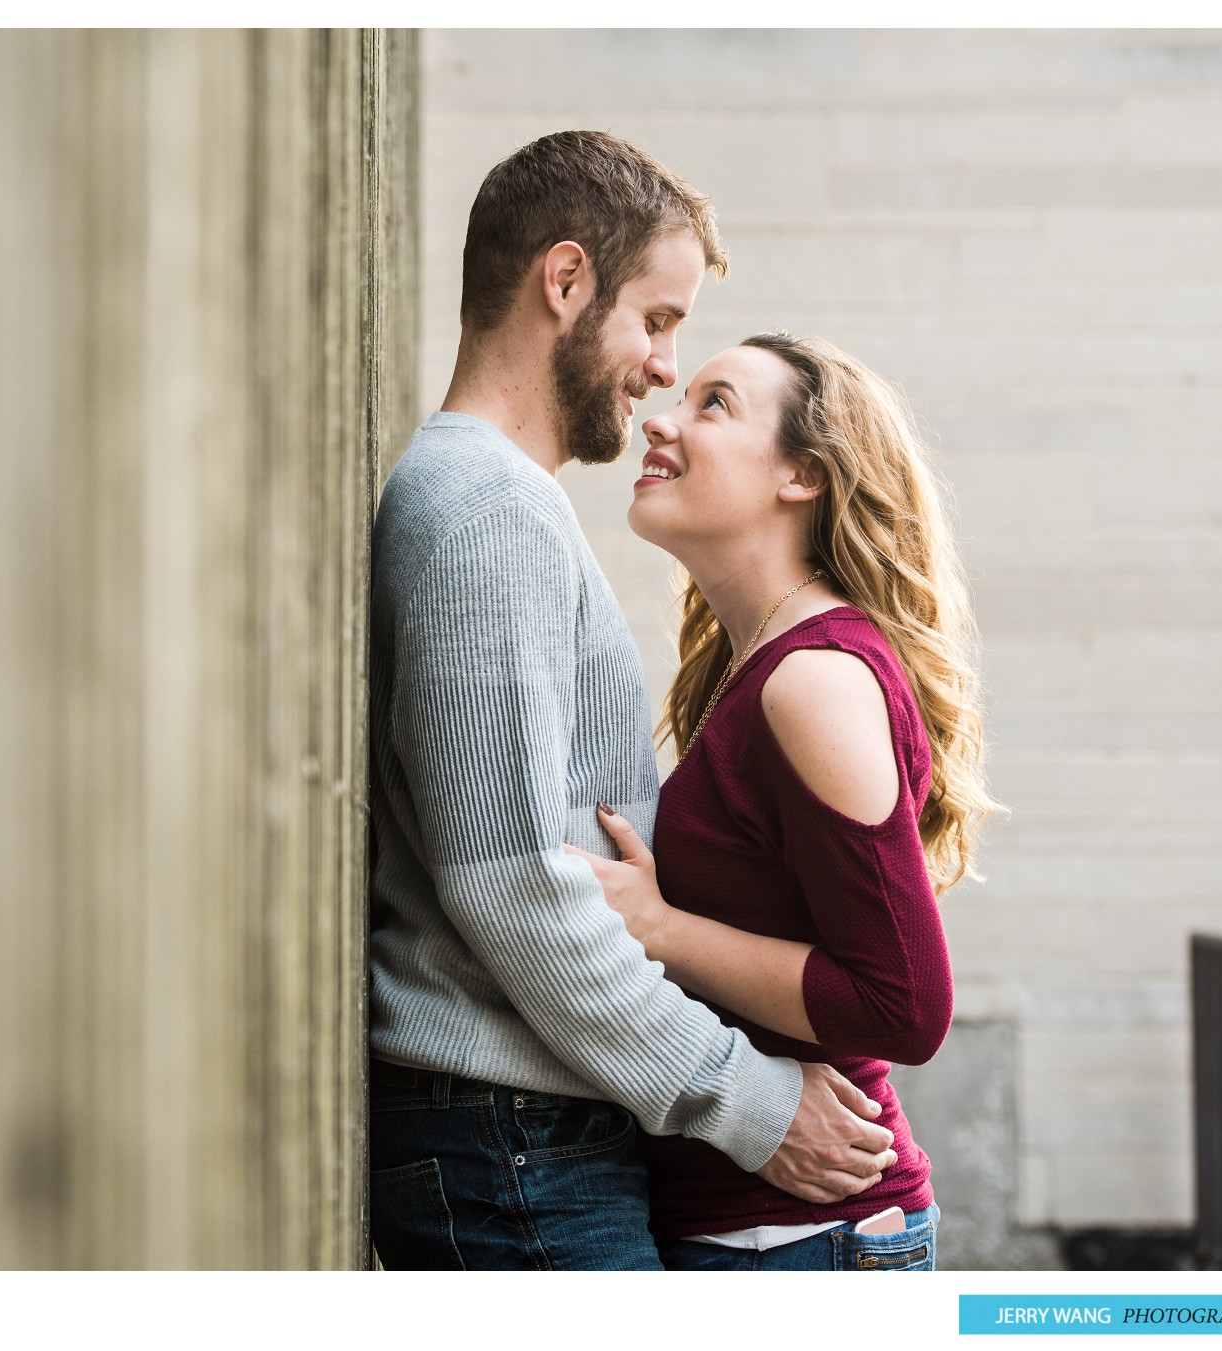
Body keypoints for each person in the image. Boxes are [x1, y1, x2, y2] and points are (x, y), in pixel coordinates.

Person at [367, 131, 898, 1271]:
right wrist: (746, 1101)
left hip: (526, 1141)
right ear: (564, 282)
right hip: (511, 1149)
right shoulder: (484, 508)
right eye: (657, 321)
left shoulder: (511, 504)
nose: (664, 369)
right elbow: (512, 884)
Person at [566, 331, 999, 1271]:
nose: (661, 416)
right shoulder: (756, 665)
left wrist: (661, 927)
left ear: (801, 474)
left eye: (715, 403)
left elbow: (905, 1005)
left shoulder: (814, 679)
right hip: (764, 1230)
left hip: (798, 1240)